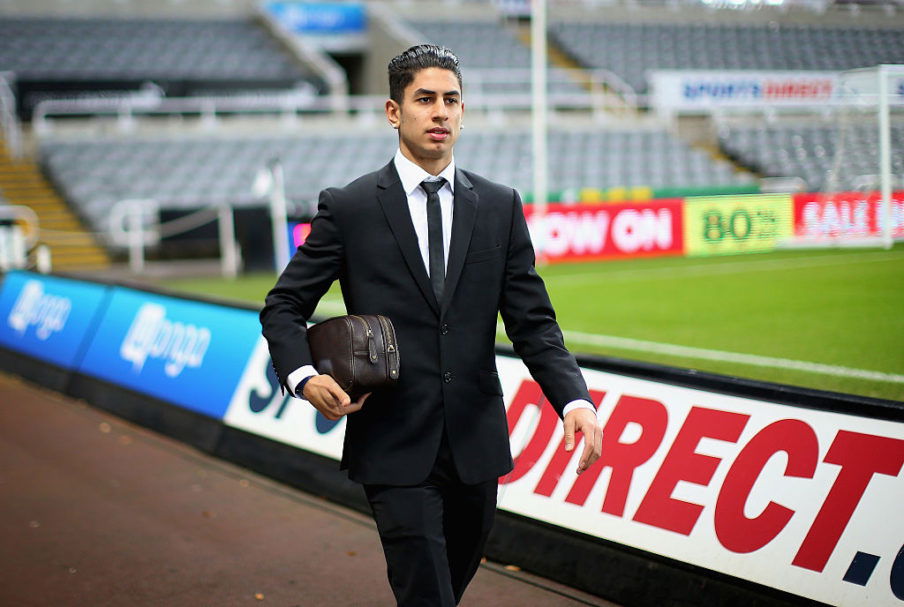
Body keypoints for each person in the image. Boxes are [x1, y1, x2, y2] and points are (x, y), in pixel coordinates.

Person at [260, 44, 603, 607]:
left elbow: (533, 322)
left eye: (451, 100)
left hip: (477, 444)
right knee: (427, 595)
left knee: (448, 587)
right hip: (392, 442)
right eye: (425, 99)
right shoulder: (349, 208)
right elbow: (283, 306)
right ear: (394, 111)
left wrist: (575, 401)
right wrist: (301, 374)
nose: (440, 112)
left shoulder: (499, 205)